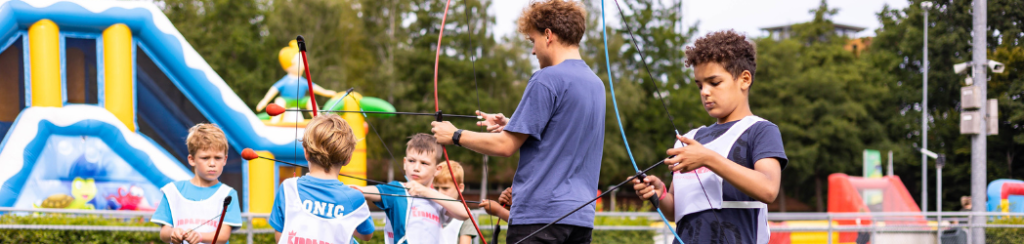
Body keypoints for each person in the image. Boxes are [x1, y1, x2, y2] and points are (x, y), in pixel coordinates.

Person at [430, 0, 605, 242]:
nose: (533, 51)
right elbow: (565, 133)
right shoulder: (596, 84)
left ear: (548, 35)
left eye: (532, 41)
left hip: (539, 219)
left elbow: (505, 146)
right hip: (580, 220)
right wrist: (515, 123)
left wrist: (455, 135)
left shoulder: (546, 79)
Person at [632, 30, 788, 244]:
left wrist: (708, 158)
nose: (704, 91)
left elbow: (769, 189)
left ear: (744, 79)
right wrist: (659, 193)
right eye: (699, 85)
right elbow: (677, 210)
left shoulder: (761, 130)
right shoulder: (690, 138)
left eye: (714, 83)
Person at [269, 114, 374, 243]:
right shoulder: (354, 198)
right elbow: (366, 235)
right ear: (348, 159)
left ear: (306, 153)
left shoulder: (287, 188)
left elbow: (280, 236)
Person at [356, 133, 470, 244]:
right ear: (405, 163)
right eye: (411, 161)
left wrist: (425, 192)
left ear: (437, 169)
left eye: (424, 163)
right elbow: (364, 191)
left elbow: (465, 213)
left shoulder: (438, 199)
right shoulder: (396, 189)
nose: (416, 168)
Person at [151, 124, 242, 244]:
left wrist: (199, 236)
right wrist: (173, 233)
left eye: (218, 158)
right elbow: (164, 233)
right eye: (205, 158)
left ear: (225, 160)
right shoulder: (172, 191)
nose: (212, 163)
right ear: (192, 159)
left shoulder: (228, 194)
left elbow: (224, 235)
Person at [433, 161, 479, 244]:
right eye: (436, 188)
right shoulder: (427, 208)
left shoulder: (466, 217)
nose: (439, 193)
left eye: (445, 188)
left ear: (460, 188)